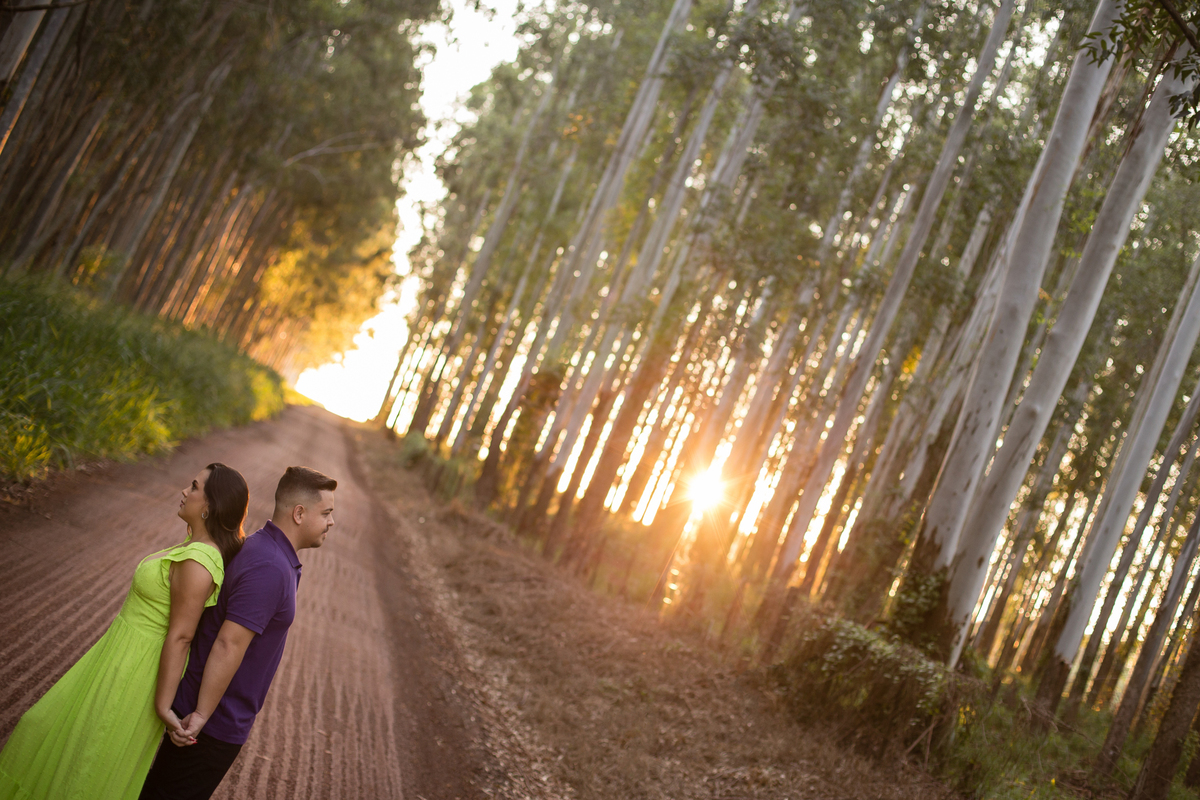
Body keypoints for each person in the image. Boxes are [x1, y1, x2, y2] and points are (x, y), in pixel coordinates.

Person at [0, 463, 249, 800]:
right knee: (50, 733)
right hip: (118, 655)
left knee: (87, 761)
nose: (184, 492)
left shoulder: (199, 561)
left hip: (133, 671)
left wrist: (163, 707)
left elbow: (181, 636)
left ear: (209, 505)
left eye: (194, 487)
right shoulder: (193, 550)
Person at [139, 465, 337, 800]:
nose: (332, 522)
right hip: (211, 724)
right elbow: (229, 644)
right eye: (327, 513)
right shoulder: (270, 566)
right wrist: (202, 715)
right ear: (299, 513)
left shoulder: (267, 549)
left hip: (210, 716)